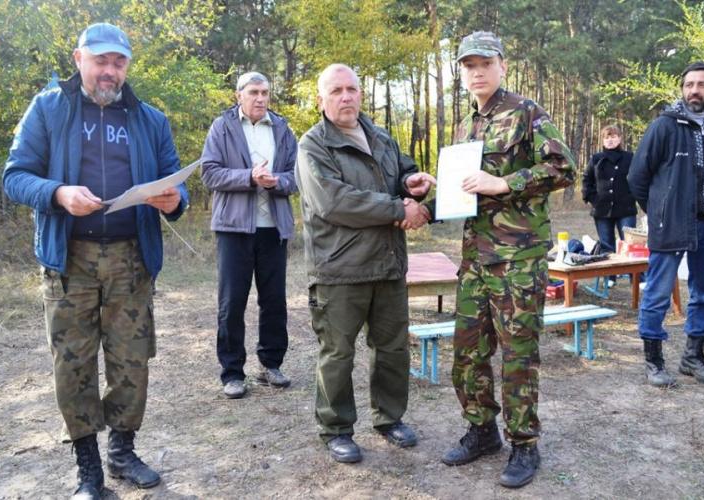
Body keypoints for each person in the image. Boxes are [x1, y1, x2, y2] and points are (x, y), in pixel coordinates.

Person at [3, 23, 188, 499]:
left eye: (119, 62)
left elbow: (176, 180)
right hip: (70, 260)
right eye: (101, 60)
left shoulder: (150, 119)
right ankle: (88, 470)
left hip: (132, 260)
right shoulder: (49, 109)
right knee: (73, 366)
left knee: (132, 361)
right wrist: (58, 193)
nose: (110, 71)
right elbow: (15, 176)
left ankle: (122, 452)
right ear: (78, 58)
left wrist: (174, 200)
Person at [419, 32, 574, 488]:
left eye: (484, 62)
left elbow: (564, 167)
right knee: (467, 353)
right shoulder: (467, 128)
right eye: (468, 66)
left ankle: (524, 443)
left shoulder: (527, 113)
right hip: (475, 261)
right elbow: (461, 193)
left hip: (518, 261)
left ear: (502, 65)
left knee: (518, 355)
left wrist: (504, 184)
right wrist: (429, 197)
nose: (477, 72)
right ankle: (482, 431)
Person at [295, 63, 436, 463]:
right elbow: (334, 201)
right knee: (337, 353)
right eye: (336, 90)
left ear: (360, 94)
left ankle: (389, 419)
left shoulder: (380, 137)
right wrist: (398, 206)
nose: (346, 97)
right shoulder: (312, 146)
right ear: (321, 100)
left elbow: (403, 173)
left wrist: (412, 183)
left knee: (392, 348)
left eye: (352, 89)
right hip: (339, 269)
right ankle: (335, 428)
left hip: (388, 263)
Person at [628, 61, 704, 388]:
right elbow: (637, 177)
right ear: (682, 88)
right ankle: (654, 361)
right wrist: (658, 211)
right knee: (658, 293)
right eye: (689, 84)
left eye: (702, 85)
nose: (695, 90)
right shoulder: (664, 126)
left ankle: (693, 357)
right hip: (670, 224)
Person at [201, 72, 298, 399]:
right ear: (239, 95)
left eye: (265, 92)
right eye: (254, 92)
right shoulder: (222, 127)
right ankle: (231, 371)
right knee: (232, 303)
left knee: (274, 301)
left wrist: (276, 183)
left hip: (274, 228)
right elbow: (209, 172)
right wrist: (250, 177)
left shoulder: (283, 129)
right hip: (234, 228)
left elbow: (297, 177)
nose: (260, 98)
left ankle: (271, 363)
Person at [582, 124, 637, 287]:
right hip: (602, 209)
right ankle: (610, 278)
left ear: (619, 138)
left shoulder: (630, 157)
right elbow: (587, 181)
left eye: (613, 137)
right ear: (602, 141)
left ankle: (637, 278)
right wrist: (594, 199)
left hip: (625, 208)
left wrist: (633, 196)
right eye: (607, 137)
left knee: (629, 244)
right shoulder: (596, 159)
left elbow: (638, 179)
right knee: (606, 245)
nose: (610, 140)